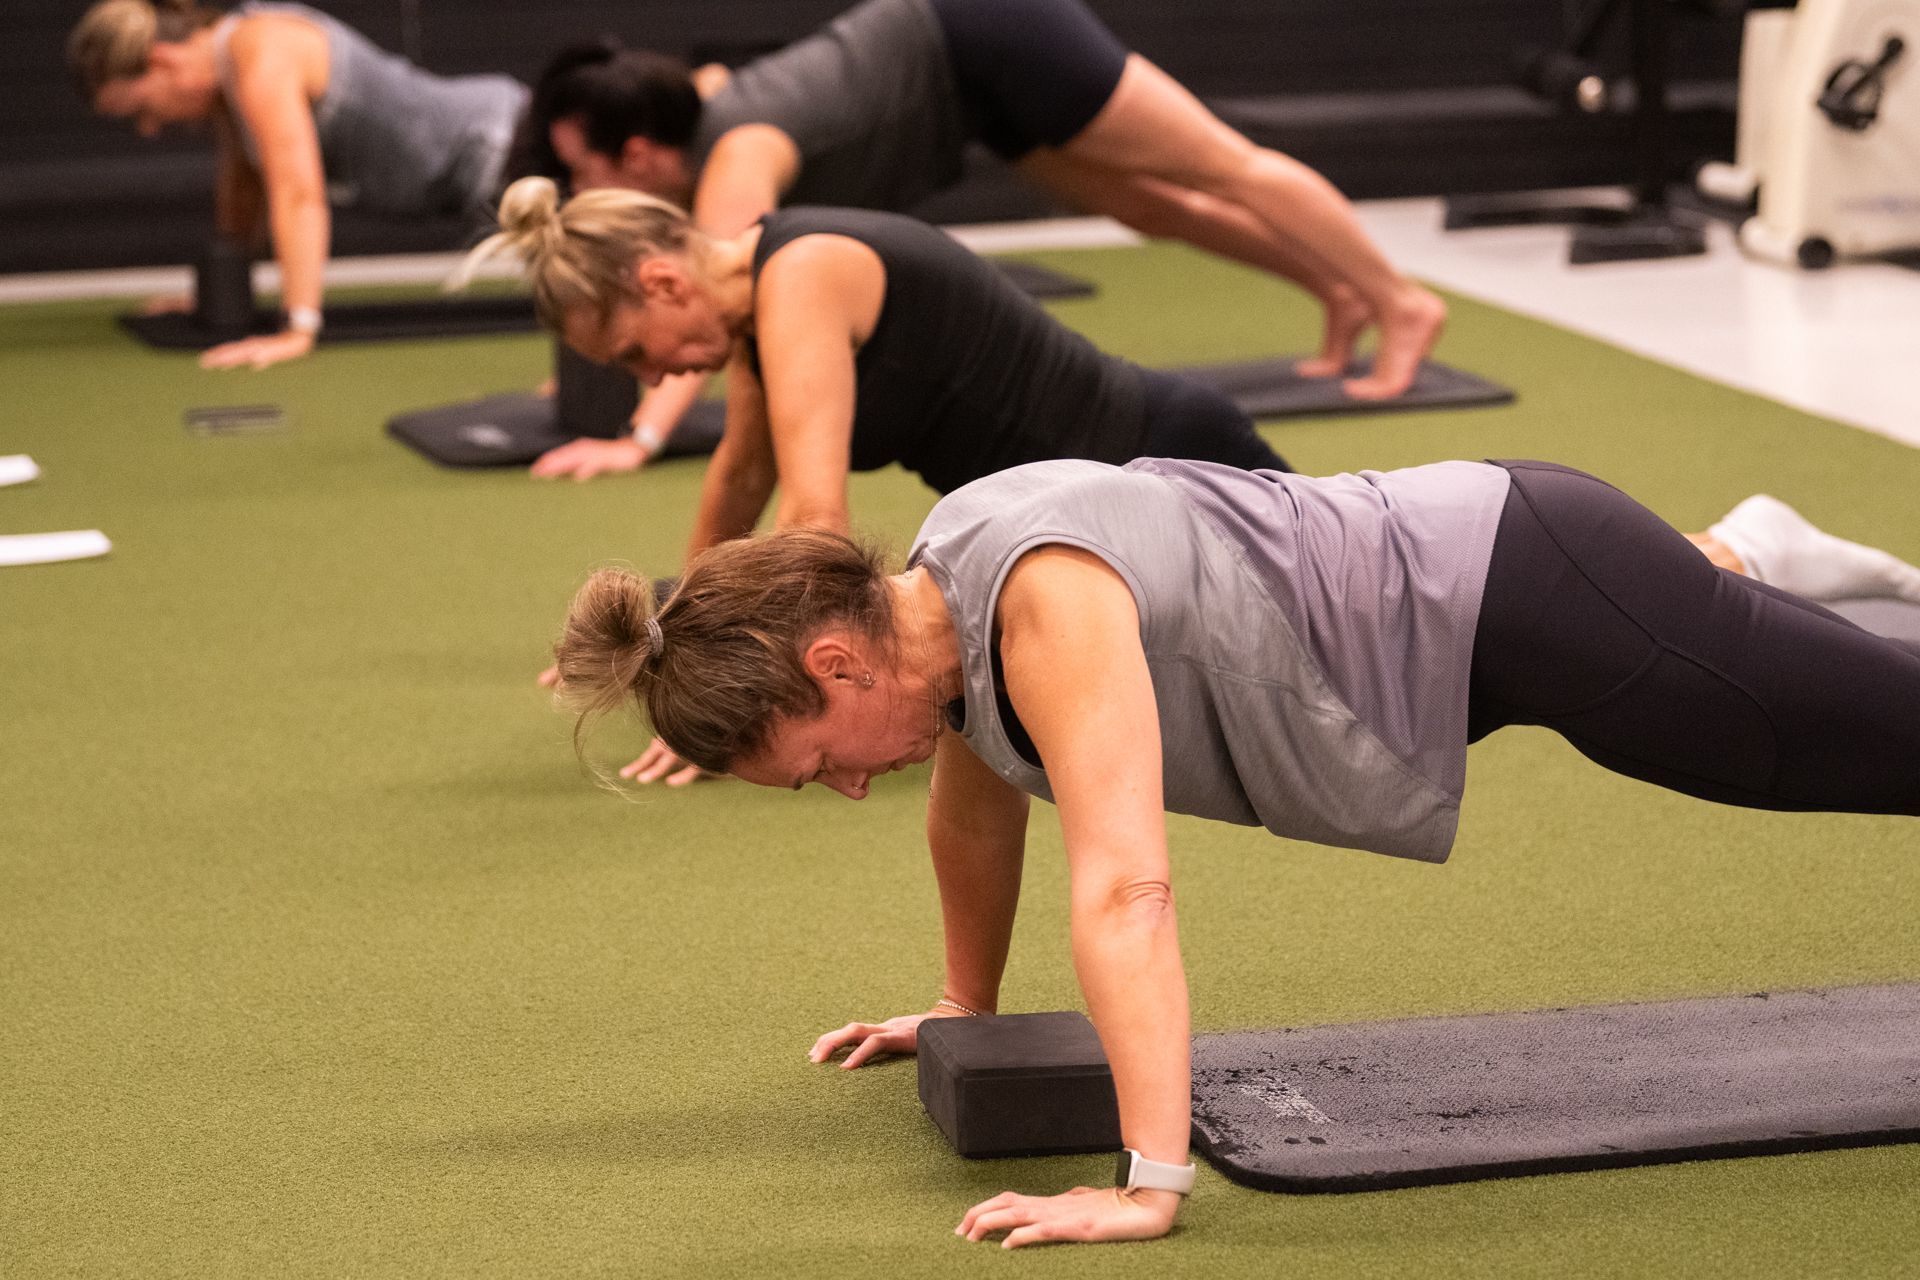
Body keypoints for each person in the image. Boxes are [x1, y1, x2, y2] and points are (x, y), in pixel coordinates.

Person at [551, 454, 1920, 1247]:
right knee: (1798, 696)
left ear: (835, 662)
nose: (847, 789)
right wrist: (963, 1008)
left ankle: (1736, 576)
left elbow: (1128, 887)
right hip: (1488, 606)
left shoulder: (1037, 602)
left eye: (820, 761)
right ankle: (1745, 556)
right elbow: (973, 804)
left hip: (1534, 595)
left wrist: (1147, 1186)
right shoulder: (940, 596)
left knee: (1844, 755)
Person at [510, 0, 1448, 479]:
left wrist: (639, 436)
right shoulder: (713, 111)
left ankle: (1400, 302)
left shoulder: (736, 152)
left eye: (586, 171)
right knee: (1154, 210)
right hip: (967, 96)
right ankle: (1338, 292)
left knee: (1220, 163)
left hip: (985, 30)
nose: (584, 192)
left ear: (636, 152)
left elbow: (707, 302)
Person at [68, 0, 528, 370]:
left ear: (161, 62)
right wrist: (222, 292)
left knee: (587, 271)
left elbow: (298, 193)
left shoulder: (261, 53)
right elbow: (244, 186)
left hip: (501, 146)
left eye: (140, 111)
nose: (148, 128)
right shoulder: (232, 74)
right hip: (464, 170)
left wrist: (298, 329)